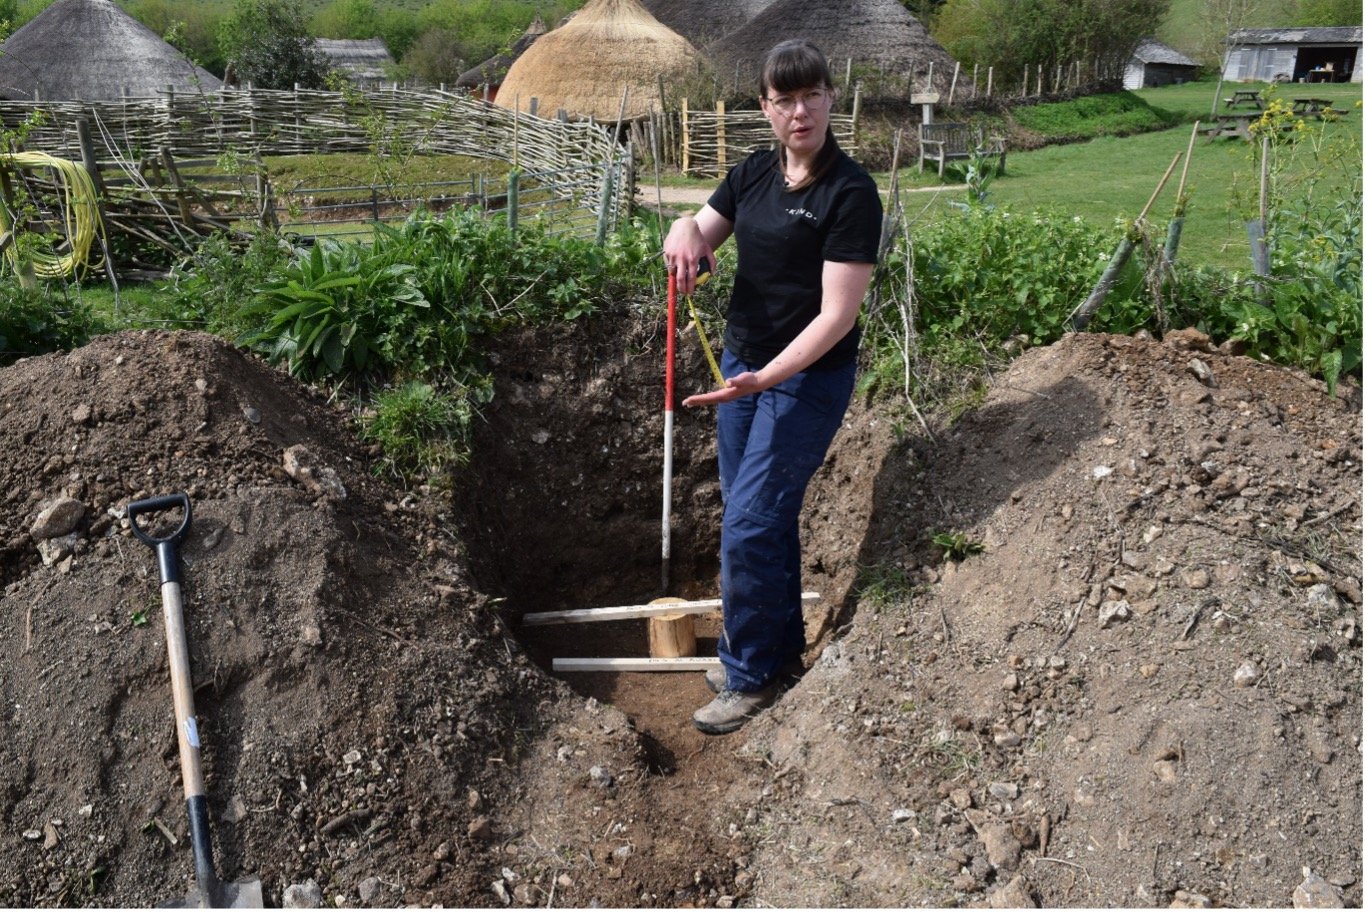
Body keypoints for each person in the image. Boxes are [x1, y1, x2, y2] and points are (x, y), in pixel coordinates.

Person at [662, 38, 883, 735]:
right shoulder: (753, 173)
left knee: (750, 520)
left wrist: (765, 376)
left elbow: (835, 315)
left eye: (810, 95)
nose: (799, 111)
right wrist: (680, 231)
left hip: (802, 379)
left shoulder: (849, 192)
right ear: (764, 107)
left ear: (828, 98)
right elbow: (701, 227)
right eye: (783, 99)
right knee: (755, 517)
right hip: (742, 369)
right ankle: (774, 647)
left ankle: (752, 672)